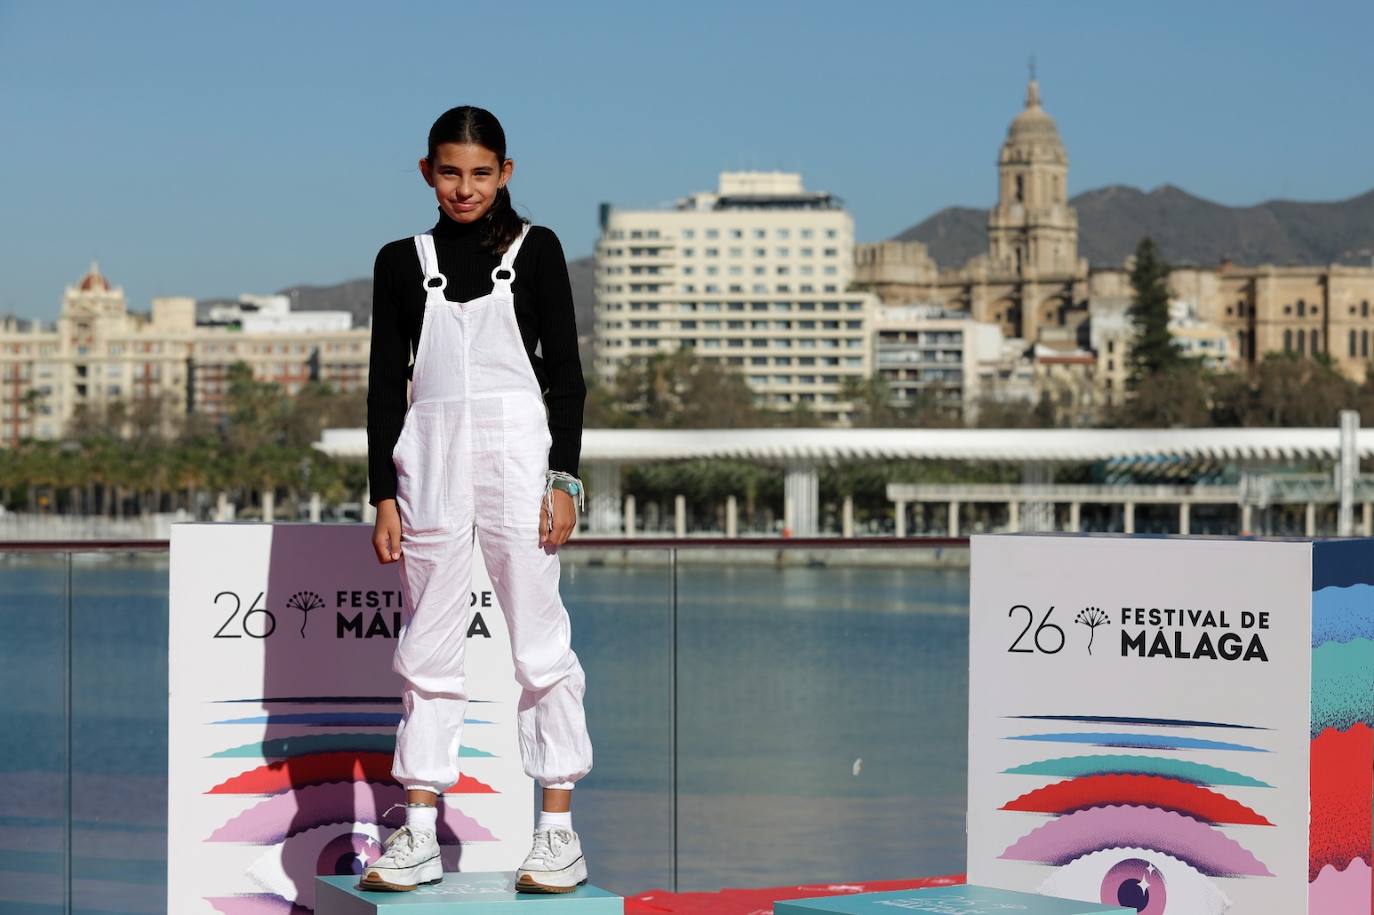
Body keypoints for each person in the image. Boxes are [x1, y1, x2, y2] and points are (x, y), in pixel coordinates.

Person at [363, 105, 592, 894]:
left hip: (521, 462)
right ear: (427, 172)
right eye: (451, 172)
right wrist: (382, 493)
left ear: (506, 173)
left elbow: (565, 372)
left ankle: (557, 831)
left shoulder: (538, 250)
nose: (466, 188)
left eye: (481, 173)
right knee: (427, 648)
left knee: (538, 641)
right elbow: (382, 383)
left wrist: (564, 477)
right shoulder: (401, 260)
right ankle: (419, 830)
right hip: (426, 461)